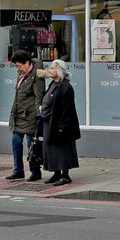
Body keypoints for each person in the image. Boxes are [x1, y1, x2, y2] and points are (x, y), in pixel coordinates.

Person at [37, 58, 81, 187]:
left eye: (52, 68)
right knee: (51, 149)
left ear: (59, 71)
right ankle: (56, 173)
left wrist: (62, 127)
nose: (49, 70)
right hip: (49, 122)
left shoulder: (66, 87)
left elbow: (67, 110)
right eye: (50, 68)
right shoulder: (53, 84)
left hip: (60, 125)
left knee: (62, 150)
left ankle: (65, 175)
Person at [5, 49, 42, 182]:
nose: (17, 68)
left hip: (31, 115)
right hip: (19, 114)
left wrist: (39, 114)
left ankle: (35, 171)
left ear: (27, 63)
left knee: (31, 144)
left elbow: (39, 94)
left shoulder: (35, 75)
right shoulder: (21, 74)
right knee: (16, 142)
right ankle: (18, 170)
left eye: (19, 65)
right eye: (15, 66)